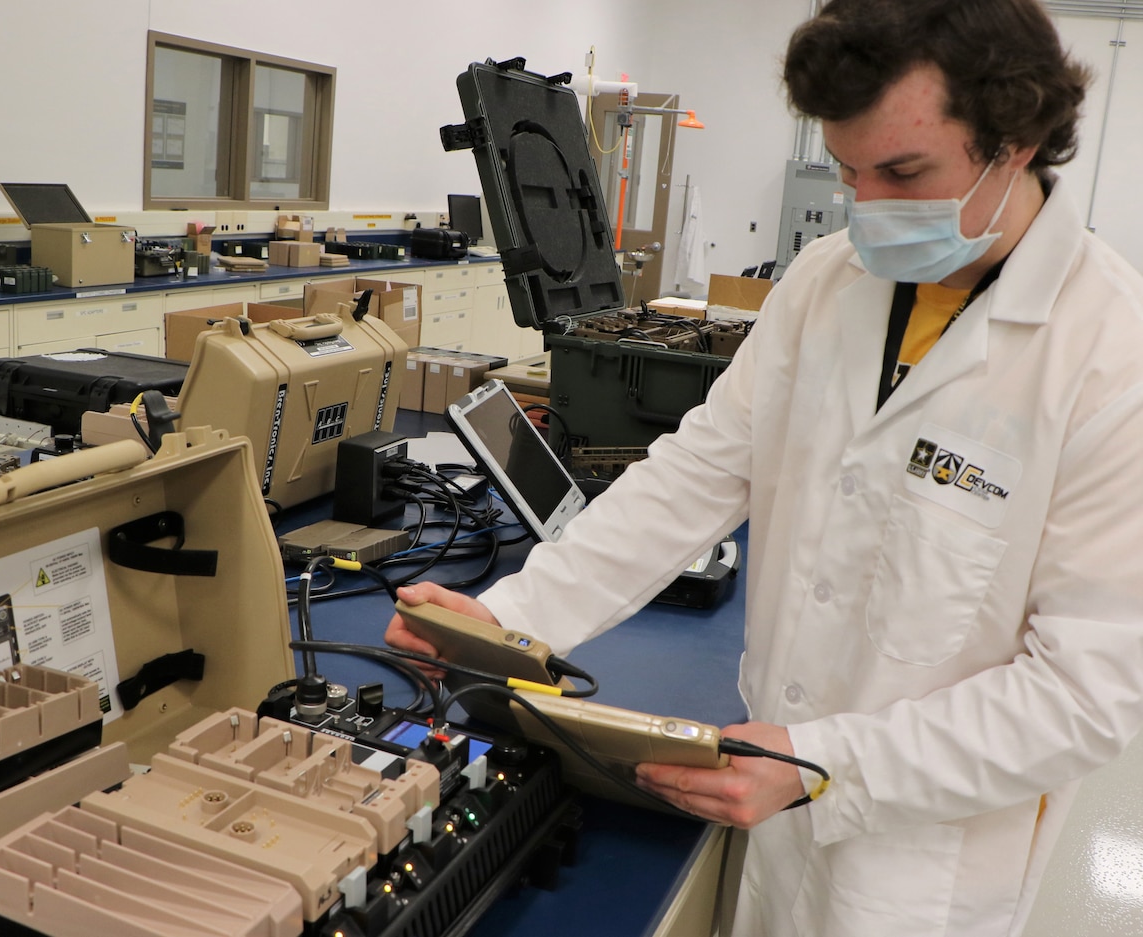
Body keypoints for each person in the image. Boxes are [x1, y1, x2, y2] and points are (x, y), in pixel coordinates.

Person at [387, 1, 1143, 933]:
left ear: (1016, 141)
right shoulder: (827, 284)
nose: (867, 208)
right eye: (849, 170)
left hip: (924, 860)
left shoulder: (1114, 354)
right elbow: (693, 476)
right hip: (768, 797)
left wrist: (827, 765)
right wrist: (510, 618)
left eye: (903, 171)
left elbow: (1084, 696)